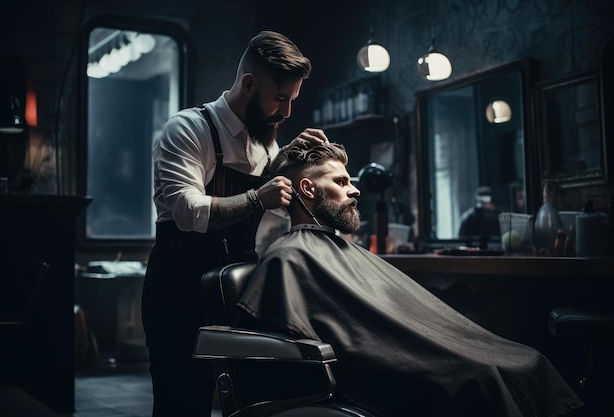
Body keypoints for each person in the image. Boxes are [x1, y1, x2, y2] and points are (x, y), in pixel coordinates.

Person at [236, 137, 584, 417]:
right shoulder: (290, 255)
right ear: (308, 189)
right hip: (385, 367)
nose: (355, 190)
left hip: (411, 353)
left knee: (525, 359)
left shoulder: (334, 249)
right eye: (341, 182)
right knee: (486, 376)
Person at [141, 30, 328, 417]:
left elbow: (280, 202)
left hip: (234, 288)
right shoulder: (189, 129)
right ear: (248, 84)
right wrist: (259, 196)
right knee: (182, 402)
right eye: (280, 99)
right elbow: (187, 211)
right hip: (180, 287)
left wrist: (299, 159)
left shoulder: (266, 142)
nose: (287, 112)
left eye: (292, 100)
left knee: (241, 401)